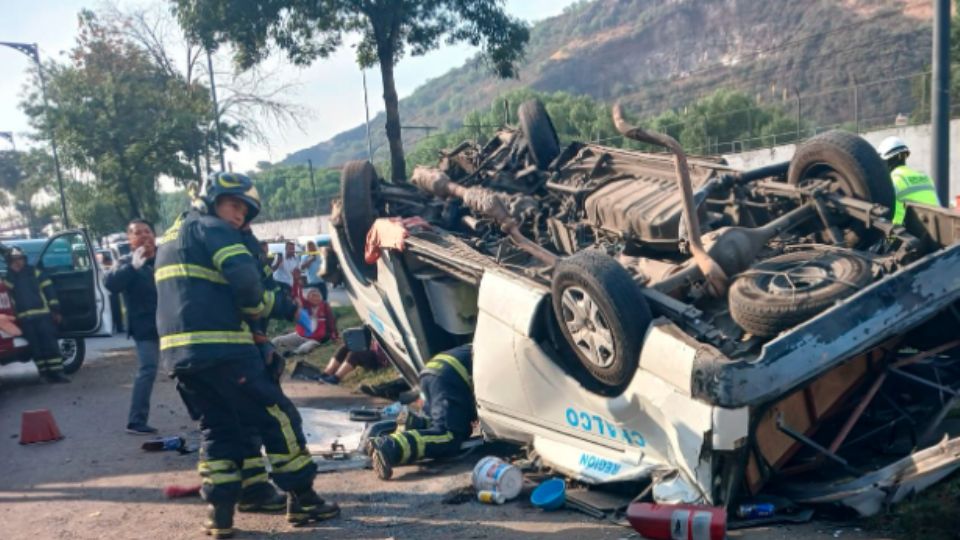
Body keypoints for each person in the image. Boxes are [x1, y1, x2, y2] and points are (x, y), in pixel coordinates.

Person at [156, 172, 339, 538]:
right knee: (279, 416)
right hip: (224, 349)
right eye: (233, 204)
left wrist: (278, 325)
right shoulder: (215, 228)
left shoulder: (175, 236)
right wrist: (277, 311)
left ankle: (220, 517)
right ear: (211, 200)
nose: (239, 215)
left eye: (244, 210)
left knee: (219, 429)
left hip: (183, 358)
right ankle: (303, 498)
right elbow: (248, 286)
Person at [368, 344, 475, 480]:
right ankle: (389, 447)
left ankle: (414, 424)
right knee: (449, 435)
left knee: (443, 425)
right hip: (450, 376)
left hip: (434, 369)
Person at [104, 219, 160, 435]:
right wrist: (133, 268)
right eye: (138, 233)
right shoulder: (127, 262)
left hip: (171, 324)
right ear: (130, 240)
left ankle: (200, 415)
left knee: (184, 369)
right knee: (147, 370)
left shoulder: (165, 258)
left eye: (148, 231)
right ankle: (136, 421)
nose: (144, 235)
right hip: (144, 327)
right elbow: (111, 284)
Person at [2, 247, 68, 383]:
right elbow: (6, 291)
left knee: (50, 344)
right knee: (36, 348)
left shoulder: (35, 272)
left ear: (24, 259)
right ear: (9, 262)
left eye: (19, 259)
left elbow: (49, 290)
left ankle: (58, 373)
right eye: (14, 260)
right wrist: (13, 273)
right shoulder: (9, 277)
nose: (18, 262)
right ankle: (43, 374)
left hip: (43, 315)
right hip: (24, 319)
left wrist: (55, 309)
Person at [876, 136, 941, 225]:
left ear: (887, 160)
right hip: (935, 231)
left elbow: (884, 213)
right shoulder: (925, 177)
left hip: (904, 235)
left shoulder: (893, 180)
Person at [272, 288, 337, 357]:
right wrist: (297, 281)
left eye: (318, 296)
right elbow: (296, 293)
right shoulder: (304, 305)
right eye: (313, 296)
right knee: (277, 340)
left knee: (305, 348)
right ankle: (269, 351)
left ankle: (293, 353)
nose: (316, 298)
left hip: (314, 340)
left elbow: (331, 322)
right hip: (298, 336)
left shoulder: (325, 307)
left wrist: (334, 336)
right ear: (307, 298)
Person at [319, 332, 389, 385]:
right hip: (372, 349)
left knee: (356, 353)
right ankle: (326, 373)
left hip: (379, 360)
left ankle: (336, 378)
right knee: (347, 345)